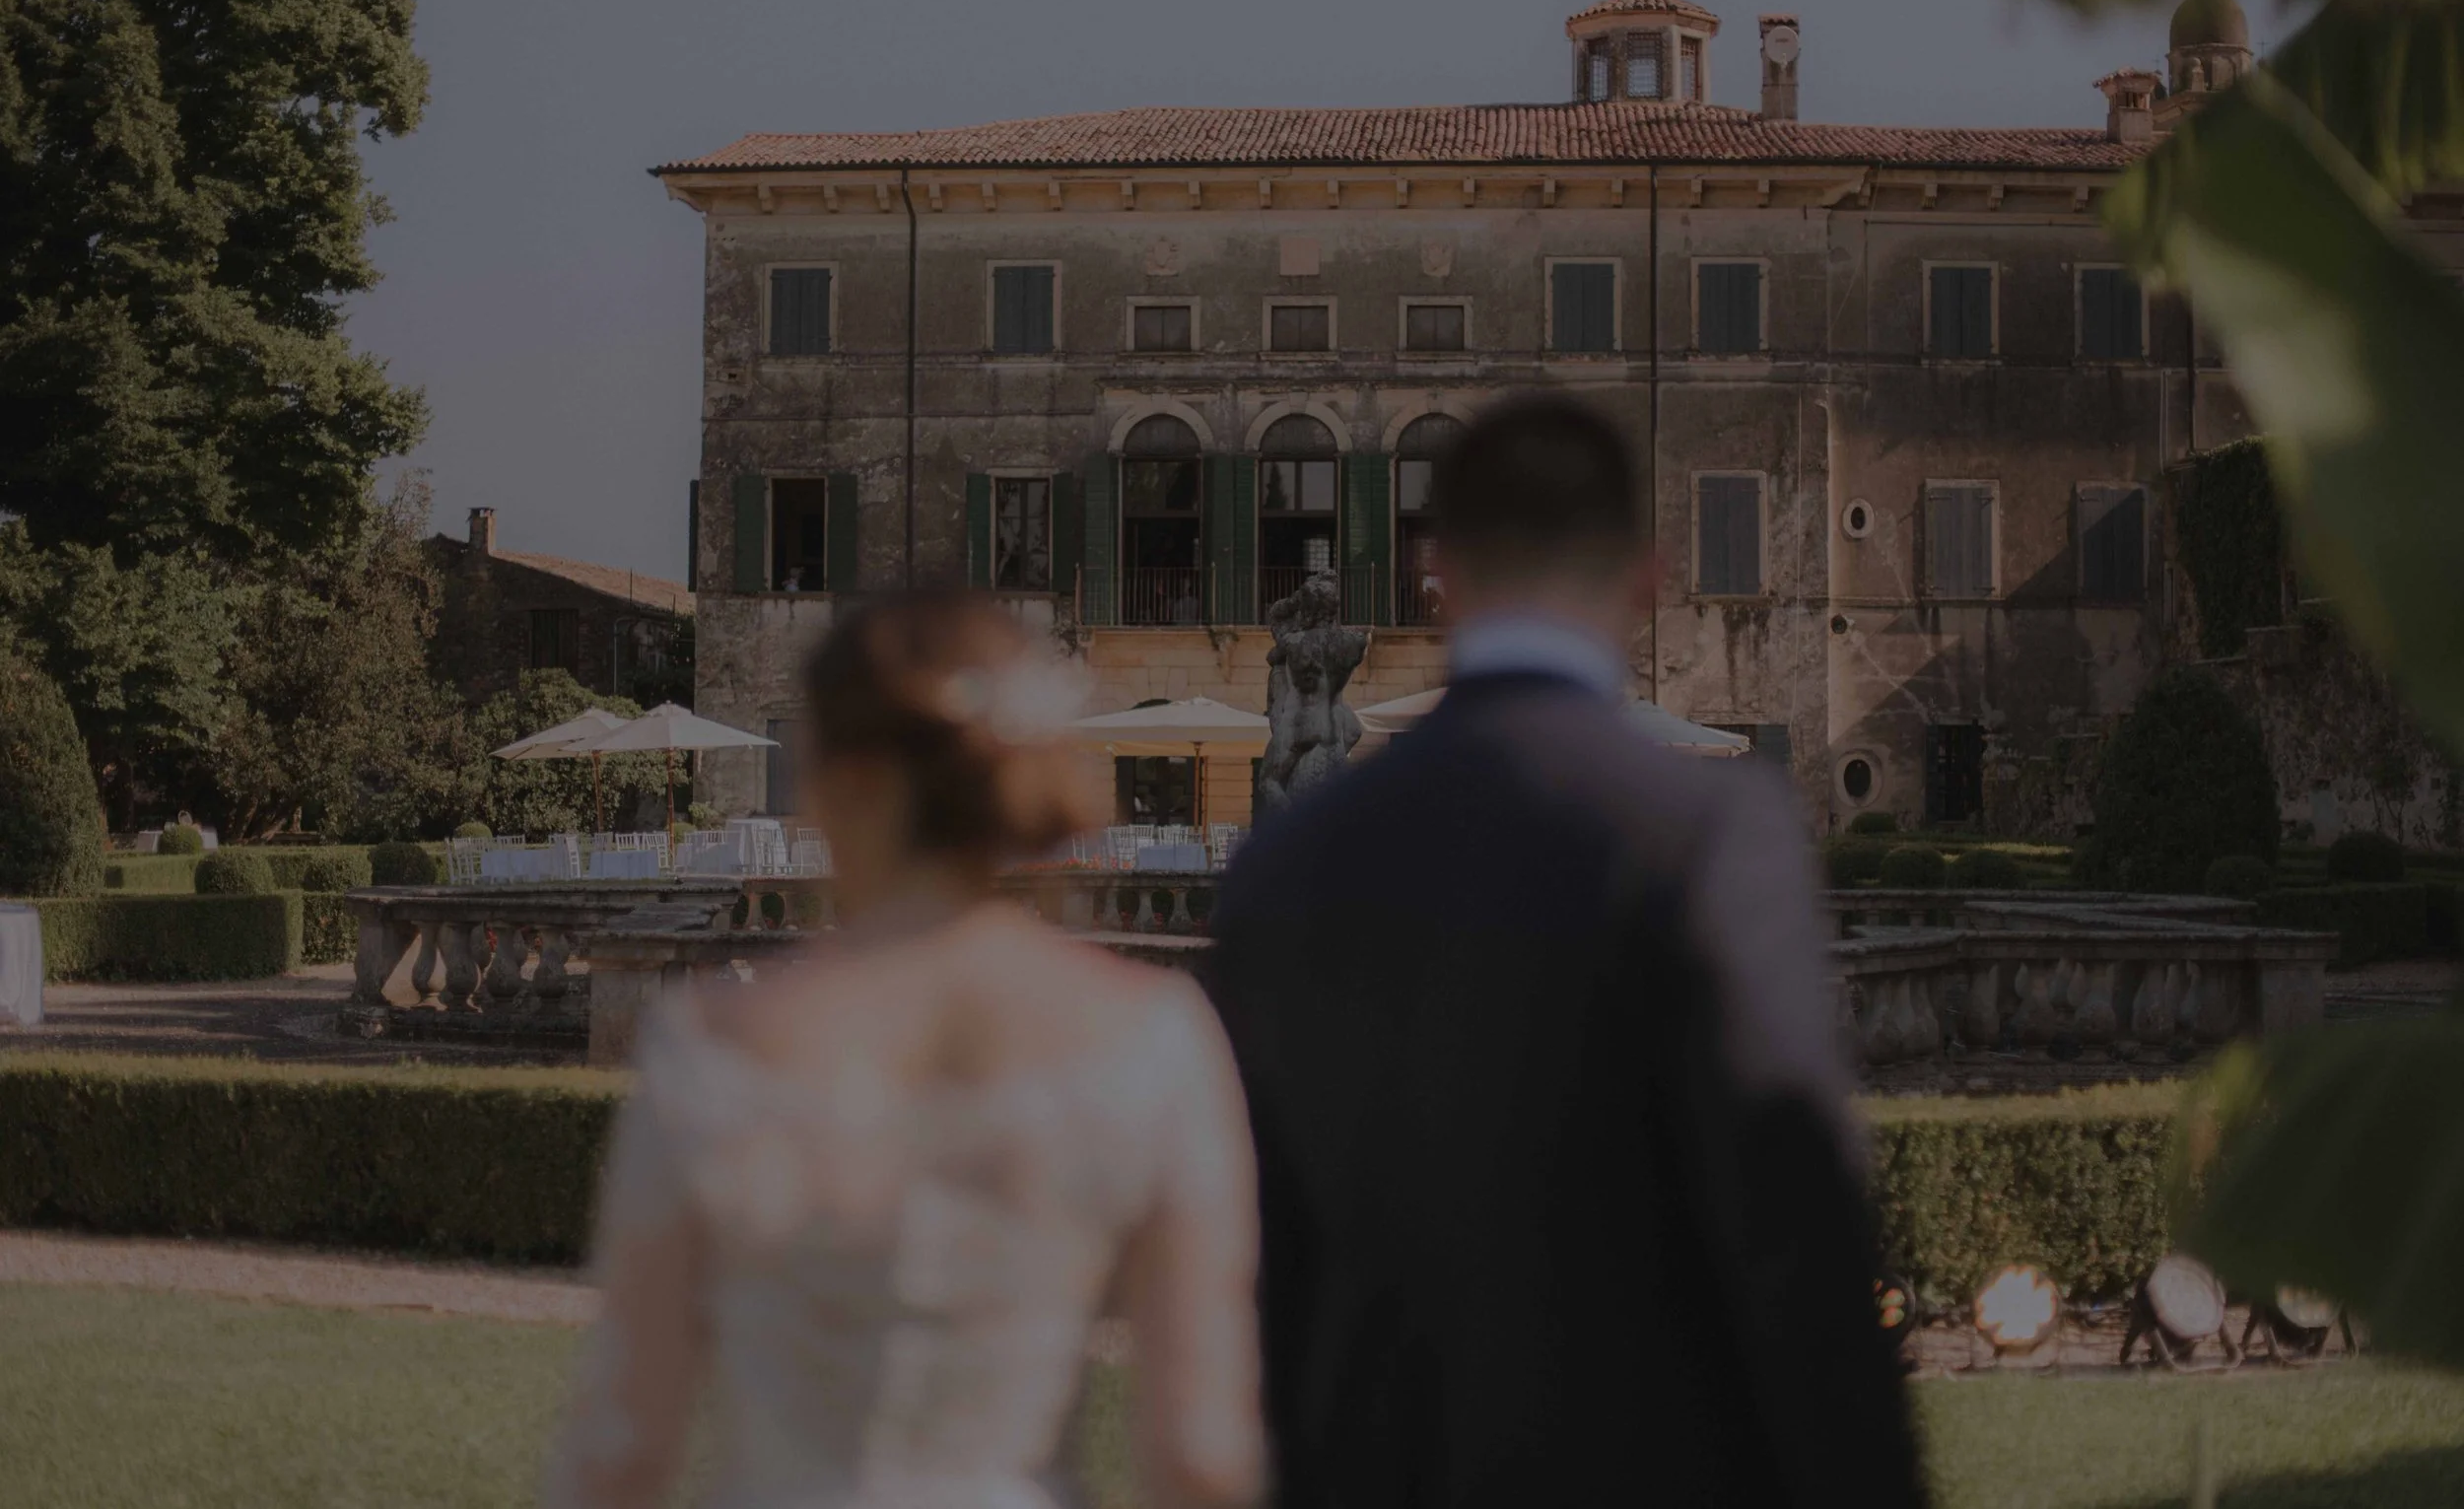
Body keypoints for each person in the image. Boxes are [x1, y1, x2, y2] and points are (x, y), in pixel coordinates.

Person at [1203, 394, 1924, 1508]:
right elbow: (1796, 1239)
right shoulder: (1710, 834)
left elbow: (1270, 1286)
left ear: (1434, 571)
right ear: (1646, 575)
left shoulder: (1283, 869)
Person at [545, 591, 1264, 1509]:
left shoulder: (711, 1046)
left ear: (839, 783)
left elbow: (621, 1449)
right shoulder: (1156, 1037)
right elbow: (1201, 1454)